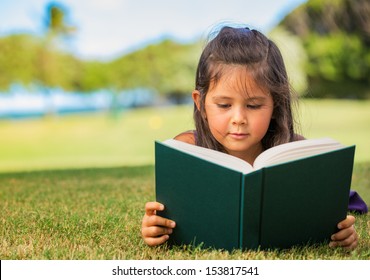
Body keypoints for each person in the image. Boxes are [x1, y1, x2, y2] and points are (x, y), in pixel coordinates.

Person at [141, 26, 358, 250]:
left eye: (254, 105)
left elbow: (322, 217)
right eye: (224, 105)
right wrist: (154, 227)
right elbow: (167, 214)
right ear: (200, 103)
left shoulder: (294, 150)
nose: (239, 118)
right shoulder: (186, 148)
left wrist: (342, 232)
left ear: (275, 104)